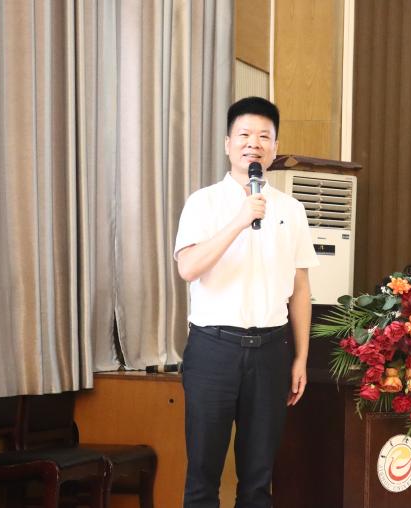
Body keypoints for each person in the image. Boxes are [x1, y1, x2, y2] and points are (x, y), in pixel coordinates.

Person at [173, 96, 319, 508]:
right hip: (213, 349)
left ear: (274, 147)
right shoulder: (203, 203)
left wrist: (300, 358)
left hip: (272, 352)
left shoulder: (291, 209)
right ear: (228, 144)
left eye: (264, 137)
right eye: (244, 135)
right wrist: (239, 220)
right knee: (203, 476)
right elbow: (188, 268)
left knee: (258, 479)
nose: (254, 144)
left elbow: (301, 288)